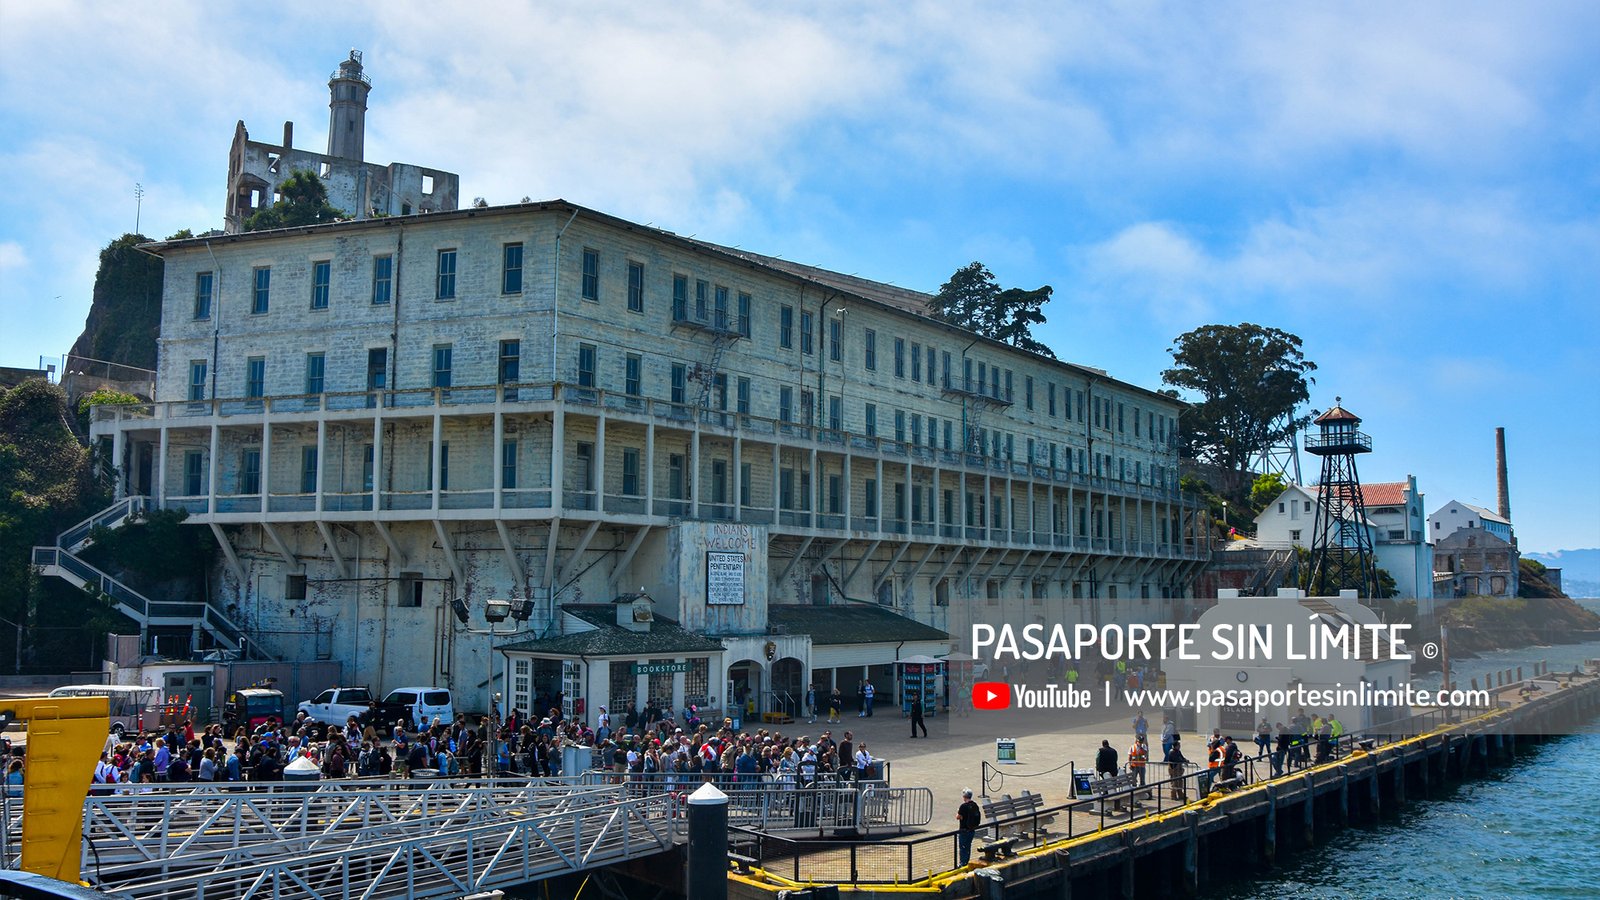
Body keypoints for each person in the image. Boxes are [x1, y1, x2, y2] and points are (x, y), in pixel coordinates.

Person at [957, 789, 982, 866]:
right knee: (968, 846)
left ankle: (962, 863)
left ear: (964, 796)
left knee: (963, 847)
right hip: (972, 829)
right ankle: (966, 861)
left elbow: (958, 817)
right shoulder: (974, 805)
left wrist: (958, 812)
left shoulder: (963, 806)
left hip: (964, 830)